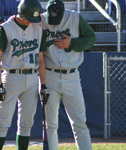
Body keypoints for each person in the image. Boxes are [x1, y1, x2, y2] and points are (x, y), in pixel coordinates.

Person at [0, 0, 48, 150]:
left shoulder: (38, 29)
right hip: (11, 77)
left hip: (31, 78)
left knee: (26, 123)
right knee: (2, 122)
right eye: (30, 17)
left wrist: (43, 84)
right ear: (22, 14)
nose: (33, 21)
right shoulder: (5, 28)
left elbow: (41, 59)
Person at [40, 0, 96, 150]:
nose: (53, 20)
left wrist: (72, 43)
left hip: (72, 76)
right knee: (50, 124)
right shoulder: (41, 19)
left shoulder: (75, 18)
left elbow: (91, 38)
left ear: (63, 12)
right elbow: (23, 22)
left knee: (79, 121)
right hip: (49, 75)